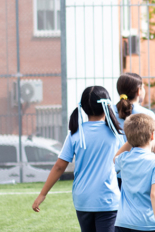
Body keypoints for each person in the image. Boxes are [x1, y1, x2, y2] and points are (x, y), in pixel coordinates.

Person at [32, 86, 124, 232]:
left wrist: (42, 194)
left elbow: (59, 167)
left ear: (83, 108)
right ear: (107, 105)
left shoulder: (75, 134)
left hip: (83, 200)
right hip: (108, 200)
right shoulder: (116, 134)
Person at [113, 114, 155, 232]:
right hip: (146, 224)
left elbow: (115, 158)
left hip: (123, 223)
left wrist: (131, 139)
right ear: (152, 135)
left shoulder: (123, 159)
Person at [114, 73, 155, 188]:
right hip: (140, 173)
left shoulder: (109, 113)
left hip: (115, 173)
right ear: (139, 91)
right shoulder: (147, 114)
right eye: (143, 87)